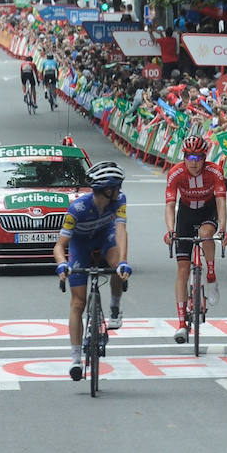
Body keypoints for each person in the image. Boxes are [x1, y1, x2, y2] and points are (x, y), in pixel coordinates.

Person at [54, 161, 131, 381]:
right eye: (117, 186)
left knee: (118, 267)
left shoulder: (120, 201)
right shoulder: (77, 208)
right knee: (78, 303)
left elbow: (121, 230)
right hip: (80, 244)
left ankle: (115, 307)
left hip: (105, 237)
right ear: (107, 189)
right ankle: (76, 359)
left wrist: (124, 261)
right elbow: (60, 245)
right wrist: (62, 264)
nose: (120, 190)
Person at [163, 134, 227, 343]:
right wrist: (170, 230)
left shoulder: (214, 171)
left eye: (198, 158)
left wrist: (223, 229)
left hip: (208, 211)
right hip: (186, 213)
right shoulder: (176, 173)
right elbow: (170, 205)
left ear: (204, 157)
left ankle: (211, 275)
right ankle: (182, 324)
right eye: (189, 157)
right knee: (182, 269)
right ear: (184, 157)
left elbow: (221, 202)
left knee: (205, 234)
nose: (193, 162)